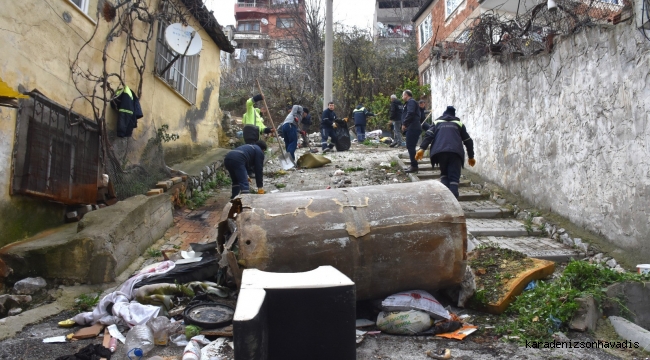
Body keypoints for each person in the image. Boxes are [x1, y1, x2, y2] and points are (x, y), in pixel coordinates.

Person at [415, 106, 475, 199]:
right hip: (455, 152)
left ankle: (446, 200)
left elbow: (429, 135)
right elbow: (468, 141)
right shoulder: (459, 124)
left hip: (440, 151)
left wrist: (422, 148)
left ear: (444, 114)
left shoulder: (437, 122)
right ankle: (454, 200)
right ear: (453, 115)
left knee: (444, 174)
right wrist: (471, 156)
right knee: (454, 177)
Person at [401, 90, 422, 173]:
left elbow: (410, 113)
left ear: (406, 95)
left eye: (403, 95)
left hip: (413, 127)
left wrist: (404, 123)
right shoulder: (409, 103)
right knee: (410, 146)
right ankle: (413, 165)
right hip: (412, 127)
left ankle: (414, 166)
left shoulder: (411, 102)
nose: (402, 97)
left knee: (410, 146)